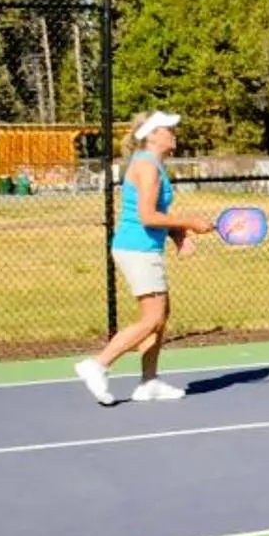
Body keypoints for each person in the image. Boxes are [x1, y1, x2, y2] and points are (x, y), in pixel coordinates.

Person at [77, 112, 212, 406]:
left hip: (144, 247)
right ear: (152, 135)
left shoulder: (153, 165)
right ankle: (98, 365)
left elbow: (157, 214)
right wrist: (189, 223)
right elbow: (147, 216)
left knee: (160, 318)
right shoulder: (146, 167)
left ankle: (149, 382)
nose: (174, 133)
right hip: (136, 248)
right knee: (152, 318)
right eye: (168, 129)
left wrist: (178, 235)